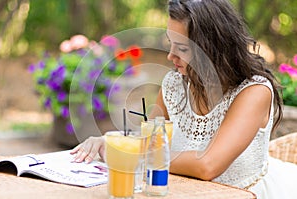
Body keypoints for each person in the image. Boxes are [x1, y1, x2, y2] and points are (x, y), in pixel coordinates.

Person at [71, 0, 297, 198]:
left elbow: (208, 165)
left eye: (182, 48)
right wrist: (110, 143)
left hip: (246, 193)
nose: (171, 56)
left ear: (212, 49)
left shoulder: (254, 91)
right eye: (171, 43)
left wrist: (136, 153)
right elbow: (151, 141)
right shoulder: (174, 85)